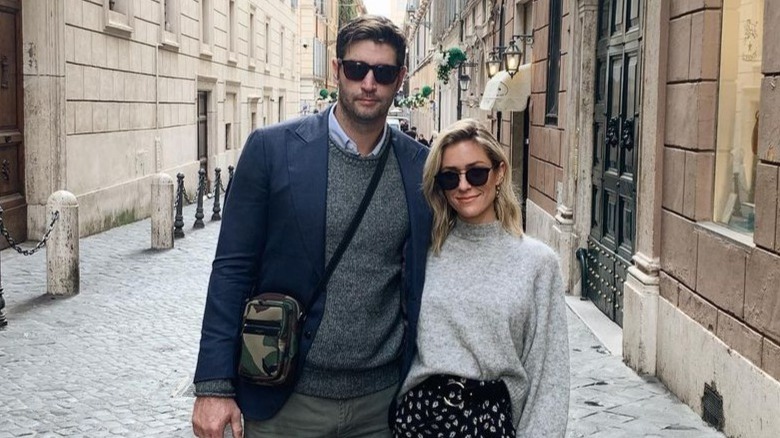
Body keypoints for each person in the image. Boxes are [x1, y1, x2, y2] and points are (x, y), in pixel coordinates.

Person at [192, 15, 432, 438]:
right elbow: (231, 269)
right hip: (286, 400)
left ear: (400, 78)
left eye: (384, 72)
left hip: (382, 406)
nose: (369, 83)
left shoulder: (419, 168)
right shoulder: (272, 149)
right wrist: (213, 385)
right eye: (357, 69)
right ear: (338, 70)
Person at [392, 119, 569, 437]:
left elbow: (549, 380)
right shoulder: (423, 253)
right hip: (418, 420)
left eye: (476, 172)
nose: (463, 185)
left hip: (490, 421)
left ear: (499, 172)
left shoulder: (538, 264)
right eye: (450, 177)